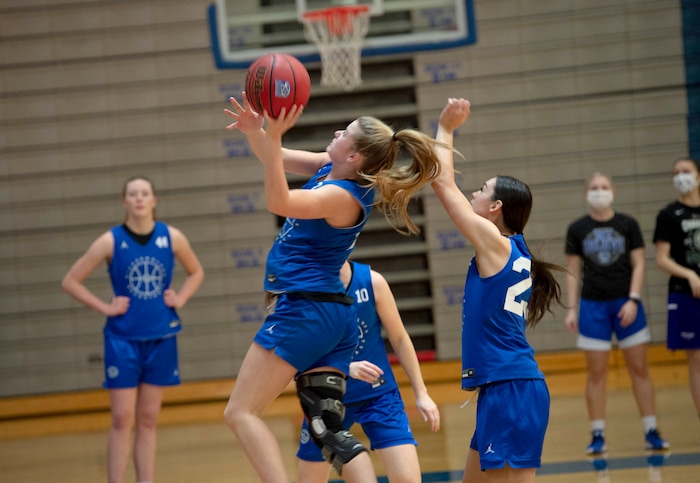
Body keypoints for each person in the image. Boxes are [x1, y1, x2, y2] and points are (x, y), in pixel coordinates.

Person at [222, 93, 446, 483]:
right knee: (326, 428)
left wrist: (272, 137)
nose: (338, 132)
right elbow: (278, 158)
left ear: (355, 157)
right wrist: (258, 133)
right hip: (327, 312)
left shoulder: (342, 197)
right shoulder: (333, 167)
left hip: (306, 309)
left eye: (347, 133)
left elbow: (279, 200)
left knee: (240, 413)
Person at [431, 98, 565, 483]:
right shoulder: (513, 246)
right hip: (505, 388)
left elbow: (442, 183)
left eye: (481, 190)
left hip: (511, 389)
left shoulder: (496, 242)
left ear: (496, 207)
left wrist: (446, 127)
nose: (473, 193)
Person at [61, 176, 205, 483]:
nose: (139, 198)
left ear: (154, 200)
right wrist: (105, 307)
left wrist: (179, 297)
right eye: (132, 194)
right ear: (124, 201)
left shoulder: (172, 237)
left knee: (149, 418)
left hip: (161, 338)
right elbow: (71, 281)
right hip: (122, 340)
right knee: (122, 418)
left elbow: (196, 272)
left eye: (144, 193)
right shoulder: (110, 241)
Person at [296, 260, 440, 483]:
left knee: (408, 479)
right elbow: (298, 353)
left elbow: (400, 338)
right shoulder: (305, 290)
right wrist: (345, 367)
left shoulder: (372, 282)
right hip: (327, 398)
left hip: (379, 396)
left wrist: (421, 393)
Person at [564, 172, 669, 454]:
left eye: (604, 187)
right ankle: (597, 434)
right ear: (587, 193)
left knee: (640, 369)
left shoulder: (628, 224)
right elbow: (573, 271)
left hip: (626, 304)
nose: (599, 191)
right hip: (592, 307)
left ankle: (651, 430)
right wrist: (572, 308)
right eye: (594, 188)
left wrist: (633, 300)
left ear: (614, 191)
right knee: (596, 373)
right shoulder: (577, 228)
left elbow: (639, 264)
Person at [653, 157, 700, 425]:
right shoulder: (669, 214)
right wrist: (690, 274)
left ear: (698, 176)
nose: (681, 176)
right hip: (686, 292)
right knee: (696, 360)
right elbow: (662, 258)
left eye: (686, 171)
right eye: (676, 172)